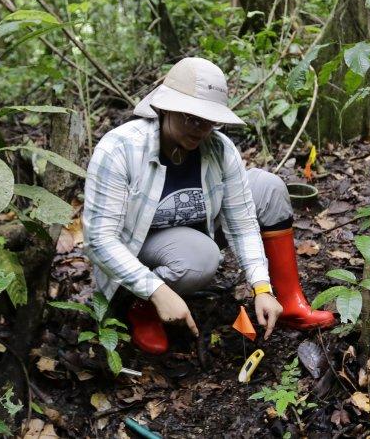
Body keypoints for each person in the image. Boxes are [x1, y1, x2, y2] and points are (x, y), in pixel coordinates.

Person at [81, 57, 335, 354]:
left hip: (197, 228)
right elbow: (99, 240)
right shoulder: (121, 148)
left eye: (209, 119)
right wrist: (156, 289)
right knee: (201, 257)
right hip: (139, 244)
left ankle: (290, 302)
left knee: (268, 187)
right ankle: (140, 304)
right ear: (165, 108)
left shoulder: (219, 148)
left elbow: (242, 223)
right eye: (191, 117)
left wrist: (261, 287)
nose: (201, 128)